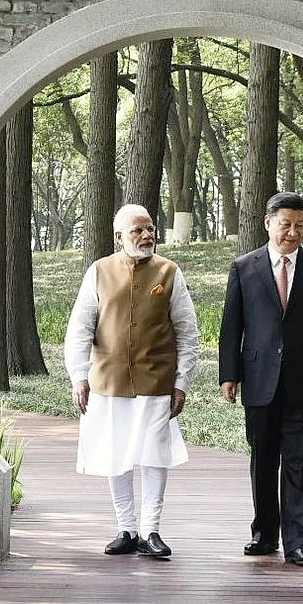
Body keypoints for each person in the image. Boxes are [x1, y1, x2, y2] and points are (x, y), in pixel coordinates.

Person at [218, 191, 303, 569]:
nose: (292, 233)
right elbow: (232, 327)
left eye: (300, 226)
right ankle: (264, 533)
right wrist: (230, 375)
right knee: (263, 460)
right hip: (258, 381)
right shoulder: (244, 267)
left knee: (301, 464)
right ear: (268, 222)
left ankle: (298, 541)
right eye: (286, 224)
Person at [64, 204, 200, 559]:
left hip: (156, 381)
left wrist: (182, 382)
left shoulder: (170, 272)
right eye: (137, 230)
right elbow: (79, 329)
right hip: (107, 382)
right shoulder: (99, 271)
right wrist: (79, 376)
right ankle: (126, 528)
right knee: (115, 453)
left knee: (155, 455)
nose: (146, 235)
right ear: (119, 236)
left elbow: (188, 333)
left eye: (150, 228)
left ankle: (151, 531)